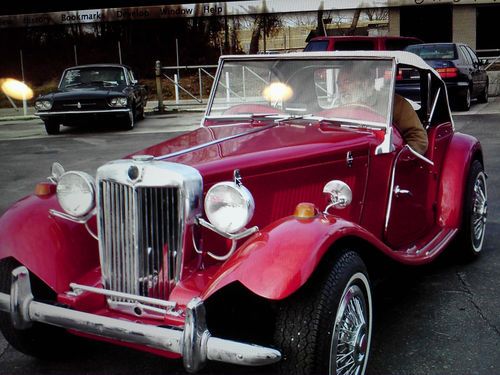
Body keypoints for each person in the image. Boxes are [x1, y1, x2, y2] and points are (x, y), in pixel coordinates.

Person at [336, 63, 428, 155]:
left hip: (383, 159)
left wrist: (400, 158)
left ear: (365, 83)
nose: (341, 88)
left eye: (347, 82)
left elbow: (418, 139)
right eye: (339, 84)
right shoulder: (336, 108)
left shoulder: (393, 103)